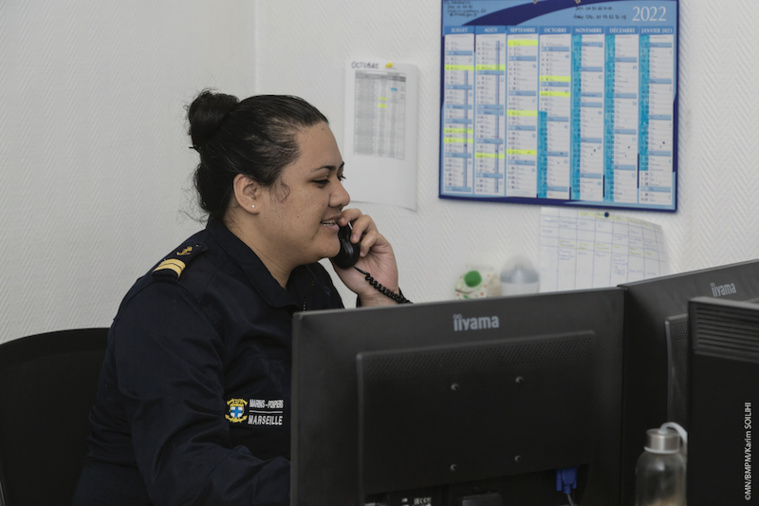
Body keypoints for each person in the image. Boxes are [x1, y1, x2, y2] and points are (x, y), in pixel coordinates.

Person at [73, 90, 406, 505]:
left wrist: (379, 298)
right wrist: (341, 484)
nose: (341, 197)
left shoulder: (311, 283)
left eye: (341, 177)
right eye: (321, 180)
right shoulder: (172, 307)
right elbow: (192, 480)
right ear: (250, 192)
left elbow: (365, 423)